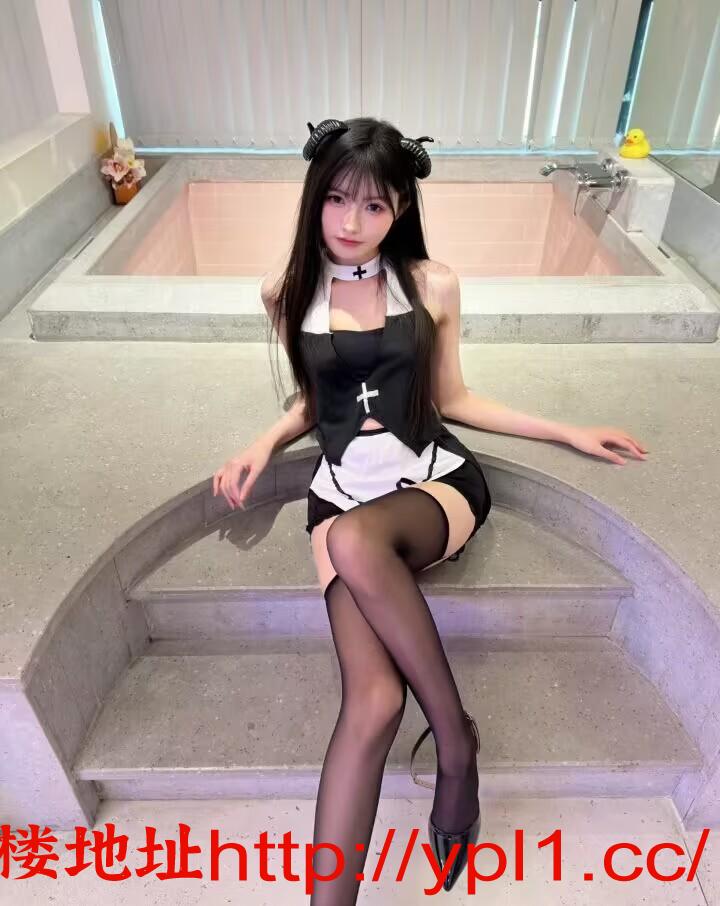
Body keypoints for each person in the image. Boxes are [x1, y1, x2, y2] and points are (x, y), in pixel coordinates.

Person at [213, 116, 648, 903]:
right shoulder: (285, 293)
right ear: (314, 198)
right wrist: (264, 439)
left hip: (432, 484)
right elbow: (319, 398)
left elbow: (453, 398)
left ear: (401, 208)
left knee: (355, 542)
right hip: (343, 493)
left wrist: (566, 430)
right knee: (374, 699)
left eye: (373, 205)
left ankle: (453, 747)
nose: (351, 222)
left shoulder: (431, 283)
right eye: (336, 199)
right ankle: (446, 754)